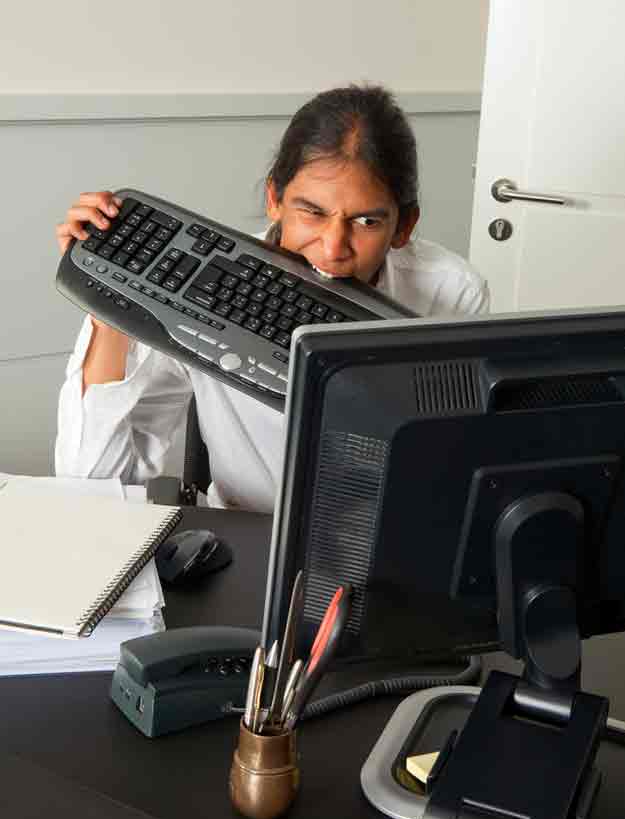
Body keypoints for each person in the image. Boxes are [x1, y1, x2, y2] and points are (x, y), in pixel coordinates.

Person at [55, 84, 489, 513]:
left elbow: (457, 461)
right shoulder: (188, 279)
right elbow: (91, 482)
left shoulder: (451, 293)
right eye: (312, 212)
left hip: (390, 529)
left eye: (366, 222)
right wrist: (110, 304)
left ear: (404, 226)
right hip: (250, 531)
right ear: (274, 200)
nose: (333, 248)